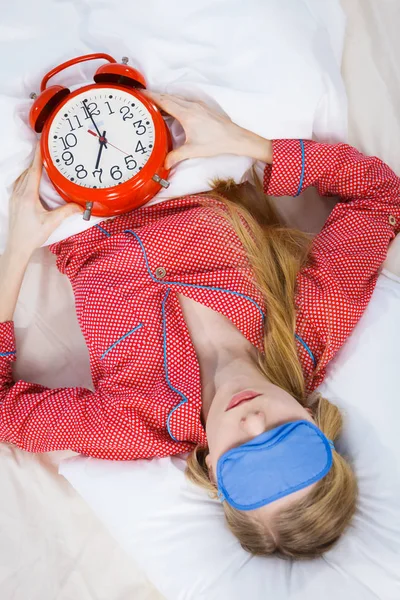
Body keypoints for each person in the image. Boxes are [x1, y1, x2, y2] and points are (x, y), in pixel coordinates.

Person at [0, 93, 399, 559]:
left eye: (243, 454)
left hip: (59, 197)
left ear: (212, 469)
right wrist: (245, 142)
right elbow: (380, 196)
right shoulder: (315, 322)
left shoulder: (134, 424)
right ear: (314, 423)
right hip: (180, 149)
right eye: (285, 434)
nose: (252, 420)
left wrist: (19, 245)